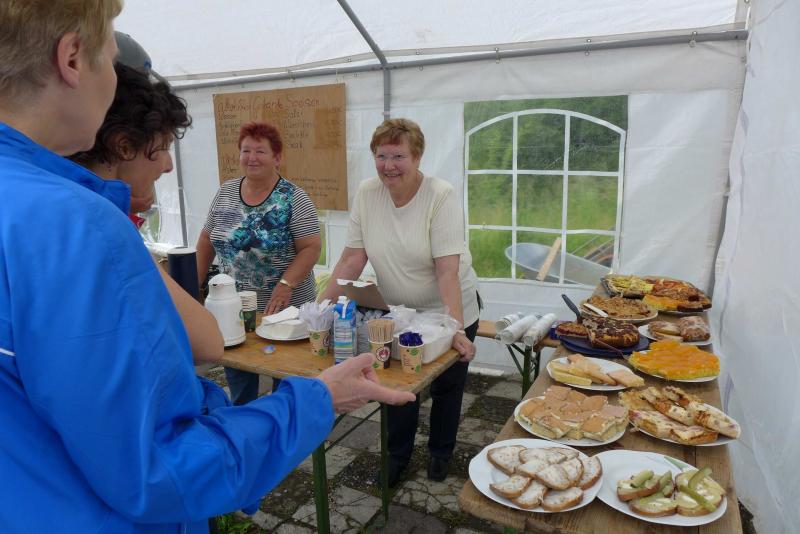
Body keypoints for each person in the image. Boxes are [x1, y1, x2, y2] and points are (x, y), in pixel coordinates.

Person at [0, 3, 415, 532]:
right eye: (110, 58)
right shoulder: (79, 224)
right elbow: (156, 470)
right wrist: (320, 399)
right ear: (73, 58)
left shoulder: (38, 207)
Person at [321, 118, 481, 486]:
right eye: (381, 156)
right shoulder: (367, 193)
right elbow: (351, 260)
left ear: (417, 157)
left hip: (447, 308)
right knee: (395, 385)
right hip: (400, 314)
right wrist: (317, 308)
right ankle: (397, 457)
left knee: (446, 386)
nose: (388, 165)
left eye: (398, 156)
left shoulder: (440, 195)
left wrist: (453, 329)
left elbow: (447, 271)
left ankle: (440, 453)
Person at [71, 57, 224, 365]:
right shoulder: (100, 224)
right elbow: (208, 343)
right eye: (163, 146)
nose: (168, 166)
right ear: (124, 146)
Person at [196, 121, 321, 404]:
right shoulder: (226, 192)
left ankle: (285, 426)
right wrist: (191, 286)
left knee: (285, 383)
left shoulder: (293, 198)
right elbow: (206, 240)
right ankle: (243, 425)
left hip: (282, 311)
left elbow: (311, 247)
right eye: (246, 150)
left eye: (260, 151)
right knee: (239, 380)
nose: (251, 158)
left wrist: (286, 284)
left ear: (277, 157)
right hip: (234, 308)